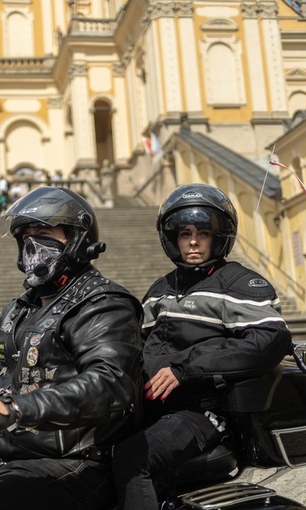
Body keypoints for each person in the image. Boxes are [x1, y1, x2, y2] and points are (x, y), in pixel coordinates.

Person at [0, 187, 143, 510]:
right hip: (1, 454)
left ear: (76, 238)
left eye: (44, 233)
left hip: (70, 462)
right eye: (26, 235)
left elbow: (109, 384)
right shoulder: (23, 309)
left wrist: (14, 409)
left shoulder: (102, 305)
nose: (33, 244)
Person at [111, 184, 292, 510]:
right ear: (173, 238)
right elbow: (136, 345)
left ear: (218, 237)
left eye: (203, 232)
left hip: (205, 412)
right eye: (184, 233)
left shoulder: (240, 284)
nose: (193, 241)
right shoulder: (160, 289)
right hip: (153, 408)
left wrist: (186, 369)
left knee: (130, 458)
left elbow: (269, 340)